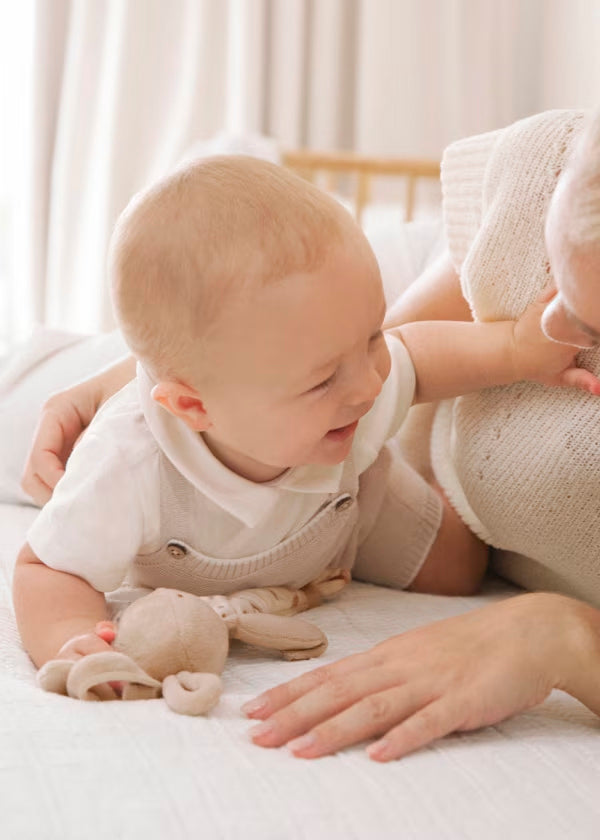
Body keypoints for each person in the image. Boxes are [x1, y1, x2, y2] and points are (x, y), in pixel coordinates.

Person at [13, 153, 592, 677]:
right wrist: (72, 637)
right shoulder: (125, 460)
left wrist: (517, 348)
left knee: (461, 569)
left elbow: (418, 353)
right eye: (321, 380)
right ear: (193, 407)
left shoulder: (344, 380)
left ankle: (411, 461)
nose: (369, 384)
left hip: (351, 504)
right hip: (226, 548)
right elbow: (48, 569)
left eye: (370, 340)